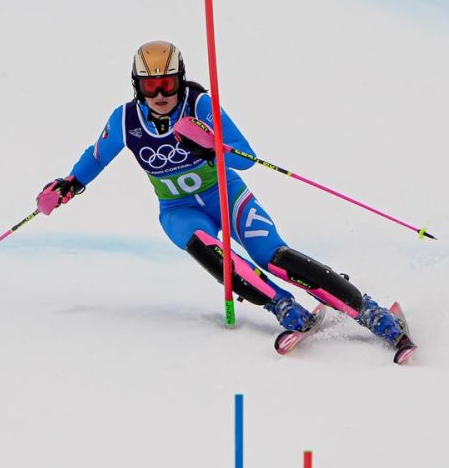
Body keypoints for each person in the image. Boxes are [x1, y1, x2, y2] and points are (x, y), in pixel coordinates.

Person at [36, 40, 406, 345]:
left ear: (181, 80)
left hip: (226, 196)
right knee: (208, 250)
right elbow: (96, 157)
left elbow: (246, 158)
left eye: (168, 84)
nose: (161, 94)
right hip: (179, 209)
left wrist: (211, 147)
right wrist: (70, 184)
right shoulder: (125, 120)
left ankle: (370, 312)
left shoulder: (200, 105)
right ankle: (281, 305)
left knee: (272, 257)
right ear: (138, 86)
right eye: (151, 86)